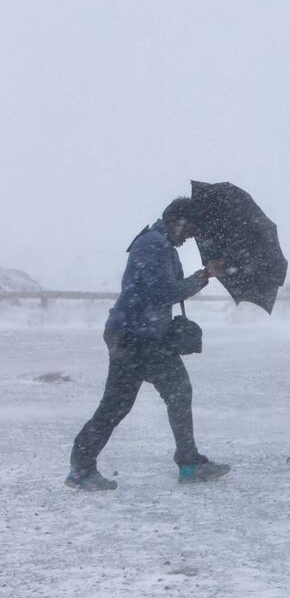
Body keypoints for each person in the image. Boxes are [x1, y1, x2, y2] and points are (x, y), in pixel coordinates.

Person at [66, 197, 230, 490]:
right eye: (190, 228)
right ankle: (187, 464)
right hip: (135, 338)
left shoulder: (161, 244)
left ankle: (84, 468)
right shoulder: (153, 244)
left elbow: (161, 293)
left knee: (140, 399)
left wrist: (203, 275)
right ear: (175, 221)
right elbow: (162, 293)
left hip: (141, 336)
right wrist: (202, 276)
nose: (191, 235)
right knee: (136, 400)